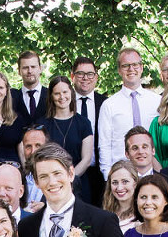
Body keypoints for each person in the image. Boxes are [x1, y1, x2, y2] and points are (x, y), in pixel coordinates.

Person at [97, 47, 154, 183]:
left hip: (151, 174)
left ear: (141, 67)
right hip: (121, 176)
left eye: (135, 65)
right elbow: (104, 144)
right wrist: (108, 177)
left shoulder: (156, 101)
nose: (131, 69)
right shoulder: (109, 104)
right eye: (125, 66)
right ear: (119, 70)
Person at [39, 74, 96, 205]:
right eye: (57, 93)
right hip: (52, 184)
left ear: (71, 92)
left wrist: (69, 178)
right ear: (51, 97)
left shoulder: (83, 123)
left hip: (78, 181)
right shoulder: (43, 124)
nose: (62, 97)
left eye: (65, 92)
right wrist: (57, 179)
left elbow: (87, 159)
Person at [71, 56, 107, 205]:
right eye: (80, 74)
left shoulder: (105, 103)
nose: (85, 78)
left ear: (96, 77)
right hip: (74, 171)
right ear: (72, 76)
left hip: (99, 171)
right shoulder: (65, 101)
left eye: (90, 74)